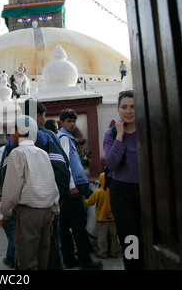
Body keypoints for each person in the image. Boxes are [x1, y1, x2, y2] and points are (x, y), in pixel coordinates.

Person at [0, 99, 71, 270]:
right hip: (47, 210)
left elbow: (10, 184)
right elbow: (59, 173)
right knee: (48, 254)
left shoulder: (15, 149)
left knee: (26, 258)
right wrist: (56, 206)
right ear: (38, 117)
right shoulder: (45, 145)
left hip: (26, 212)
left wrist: (6, 213)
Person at [103, 90, 144, 270]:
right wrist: (120, 136)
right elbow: (111, 164)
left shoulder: (146, 130)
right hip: (121, 192)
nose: (128, 111)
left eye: (133, 107)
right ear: (118, 109)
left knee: (146, 235)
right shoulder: (111, 134)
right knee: (130, 238)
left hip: (146, 190)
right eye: (124, 107)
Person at [58, 108, 103, 270]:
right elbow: (64, 164)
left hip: (69, 187)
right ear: (61, 123)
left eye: (74, 121)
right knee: (78, 225)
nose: (72, 124)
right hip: (72, 188)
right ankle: (85, 261)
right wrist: (71, 186)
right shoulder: (63, 138)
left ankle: (69, 258)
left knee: (64, 225)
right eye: (69, 121)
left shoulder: (67, 138)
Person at [83, 172, 118, 259]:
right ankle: (114, 253)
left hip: (102, 219)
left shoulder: (98, 192)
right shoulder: (114, 191)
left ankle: (102, 253)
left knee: (102, 238)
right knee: (113, 237)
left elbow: (90, 202)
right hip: (113, 219)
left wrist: (84, 200)